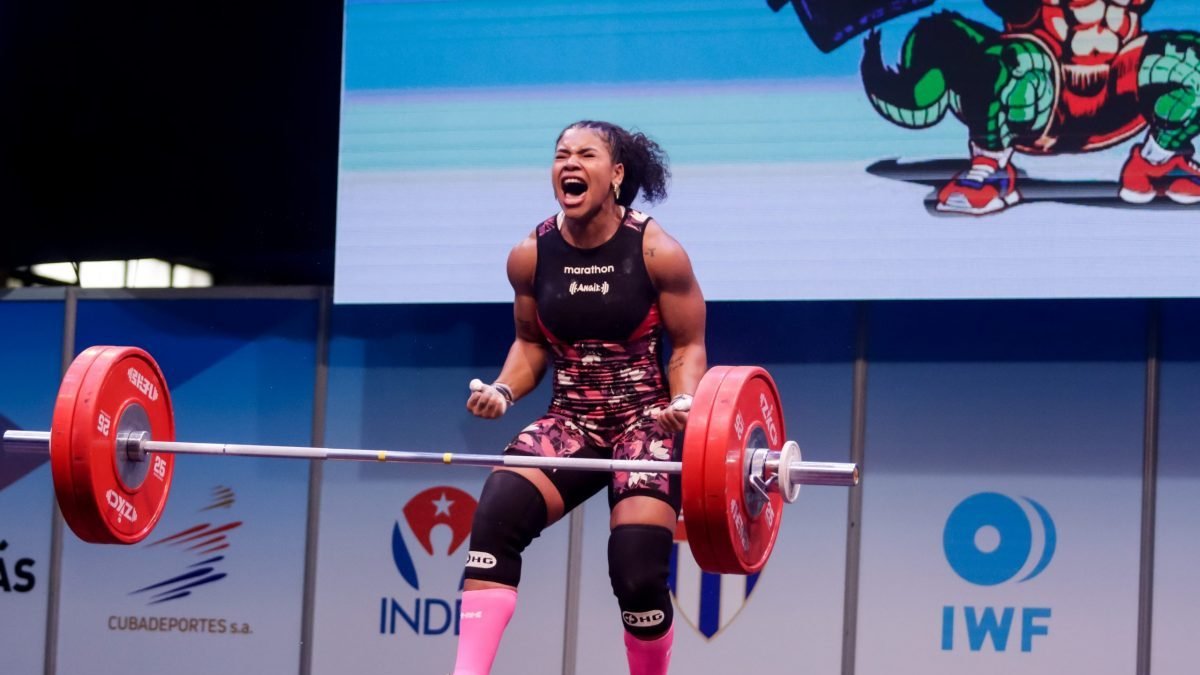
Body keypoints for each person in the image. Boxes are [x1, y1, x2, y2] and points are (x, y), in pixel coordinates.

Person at [453, 120, 706, 675]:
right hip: (571, 421)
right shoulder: (530, 254)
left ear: (615, 174)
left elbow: (687, 346)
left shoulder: (658, 250)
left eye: (585, 154)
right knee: (495, 518)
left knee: (637, 574)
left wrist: (684, 405)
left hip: (646, 427)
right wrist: (502, 390)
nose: (569, 163)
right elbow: (529, 345)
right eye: (560, 154)